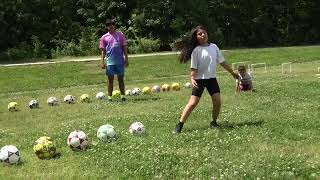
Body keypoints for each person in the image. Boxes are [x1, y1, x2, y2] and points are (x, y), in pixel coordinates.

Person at [173, 25, 239, 134]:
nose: (203, 35)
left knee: (217, 101)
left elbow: (222, 62)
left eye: (204, 33)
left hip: (211, 79)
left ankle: (213, 122)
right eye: (200, 34)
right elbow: (194, 68)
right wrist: (192, 78)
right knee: (193, 103)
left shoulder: (214, 47)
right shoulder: (196, 50)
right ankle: (179, 125)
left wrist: (232, 72)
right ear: (196, 37)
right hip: (199, 80)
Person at [99, 19, 128, 102]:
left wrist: (126, 59)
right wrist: (102, 62)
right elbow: (103, 50)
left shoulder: (120, 35)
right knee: (110, 80)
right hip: (110, 62)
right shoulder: (104, 37)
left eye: (112, 24)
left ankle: (123, 96)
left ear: (115, 25)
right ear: (106, 26)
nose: (111, 26)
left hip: (120, 61)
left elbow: (124, 48)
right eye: (109, 24)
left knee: (121, 79)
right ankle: (110, 97)